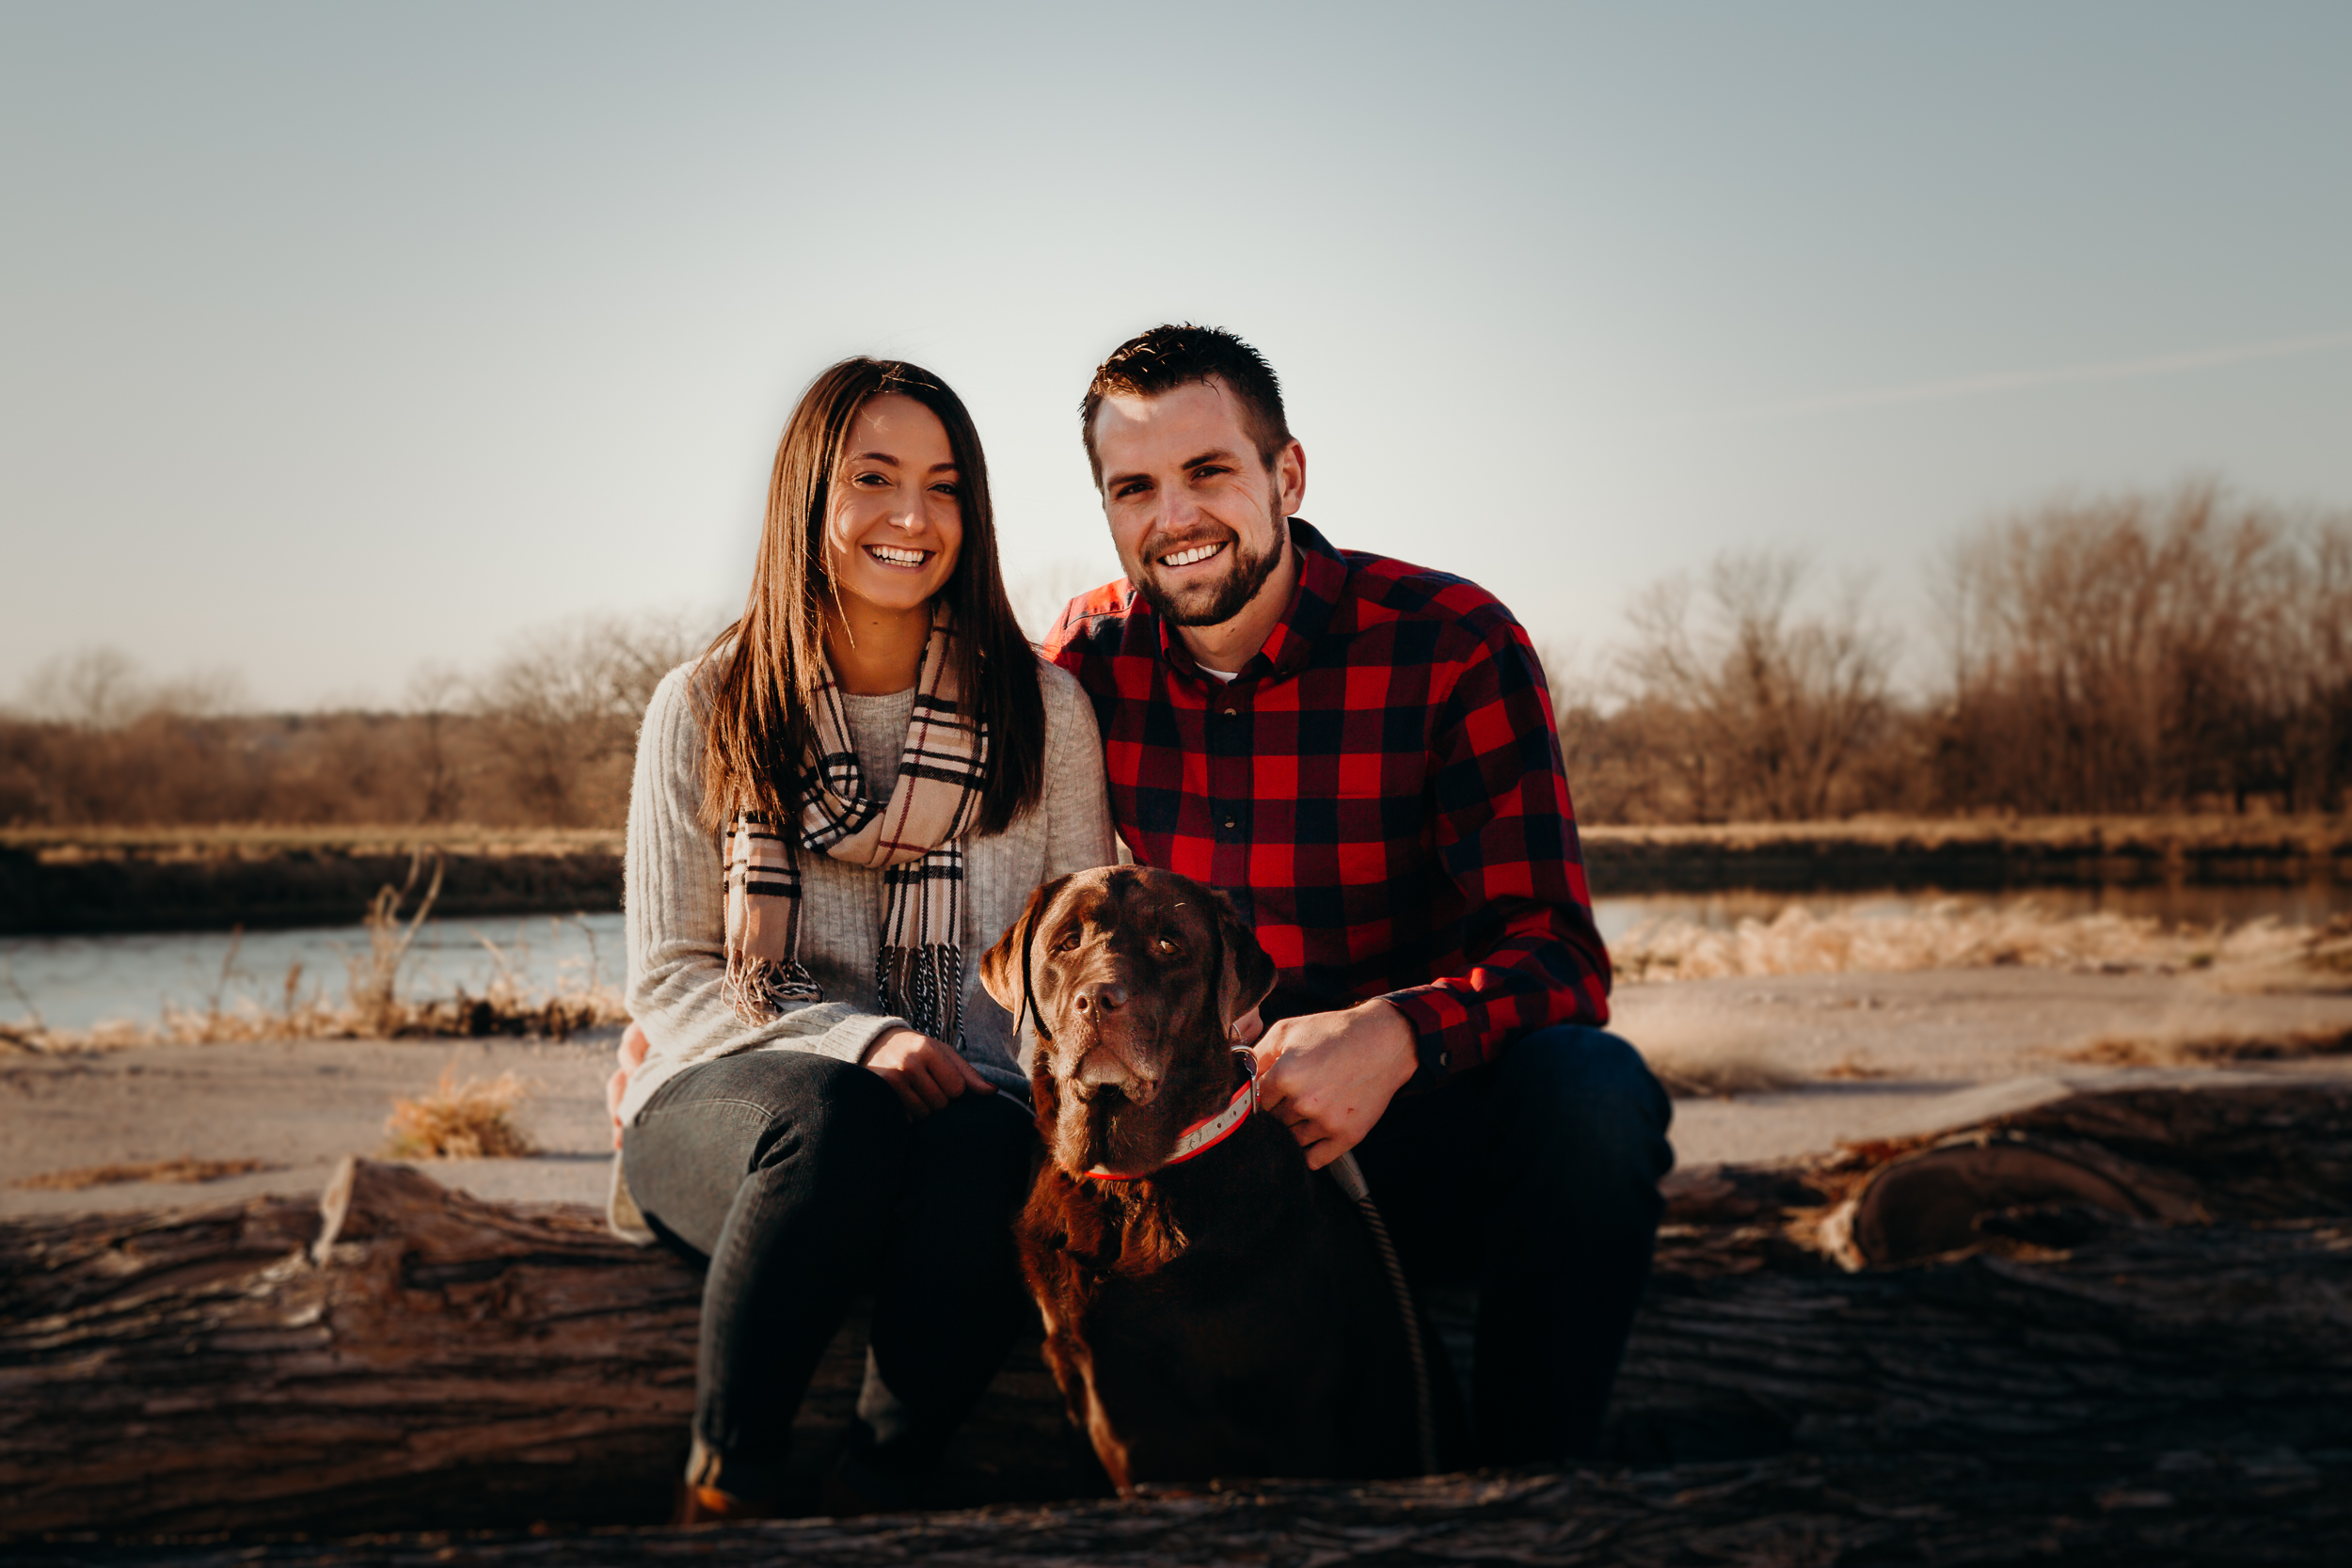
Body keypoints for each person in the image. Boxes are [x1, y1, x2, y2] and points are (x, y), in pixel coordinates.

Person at [1041, 325, 1673, 1465]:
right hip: (1208, 1136)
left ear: (1285, 474)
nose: (1172, 515)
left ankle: (1532, 1486)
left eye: (1208, 472)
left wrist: (1395, 1034)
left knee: (1593, 1093)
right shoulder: (1085, 666)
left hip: (1419, 1111)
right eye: (1133, 486)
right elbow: (1007, 901)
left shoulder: (1449, 643)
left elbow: (1560, 956)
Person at [605, 357, 1114, 1519]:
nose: (911, 516)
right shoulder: (708, 704)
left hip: (965, 1129)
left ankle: (882, 1492)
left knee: (988, 1147)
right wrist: (859, 1037)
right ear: (806, 498)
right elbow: (672, 978)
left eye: (942, 486)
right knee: (838, 1112)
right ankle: (723, 1487)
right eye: (872, 477)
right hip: (741, 1115)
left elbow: (1074, 956)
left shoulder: (1043, 716)